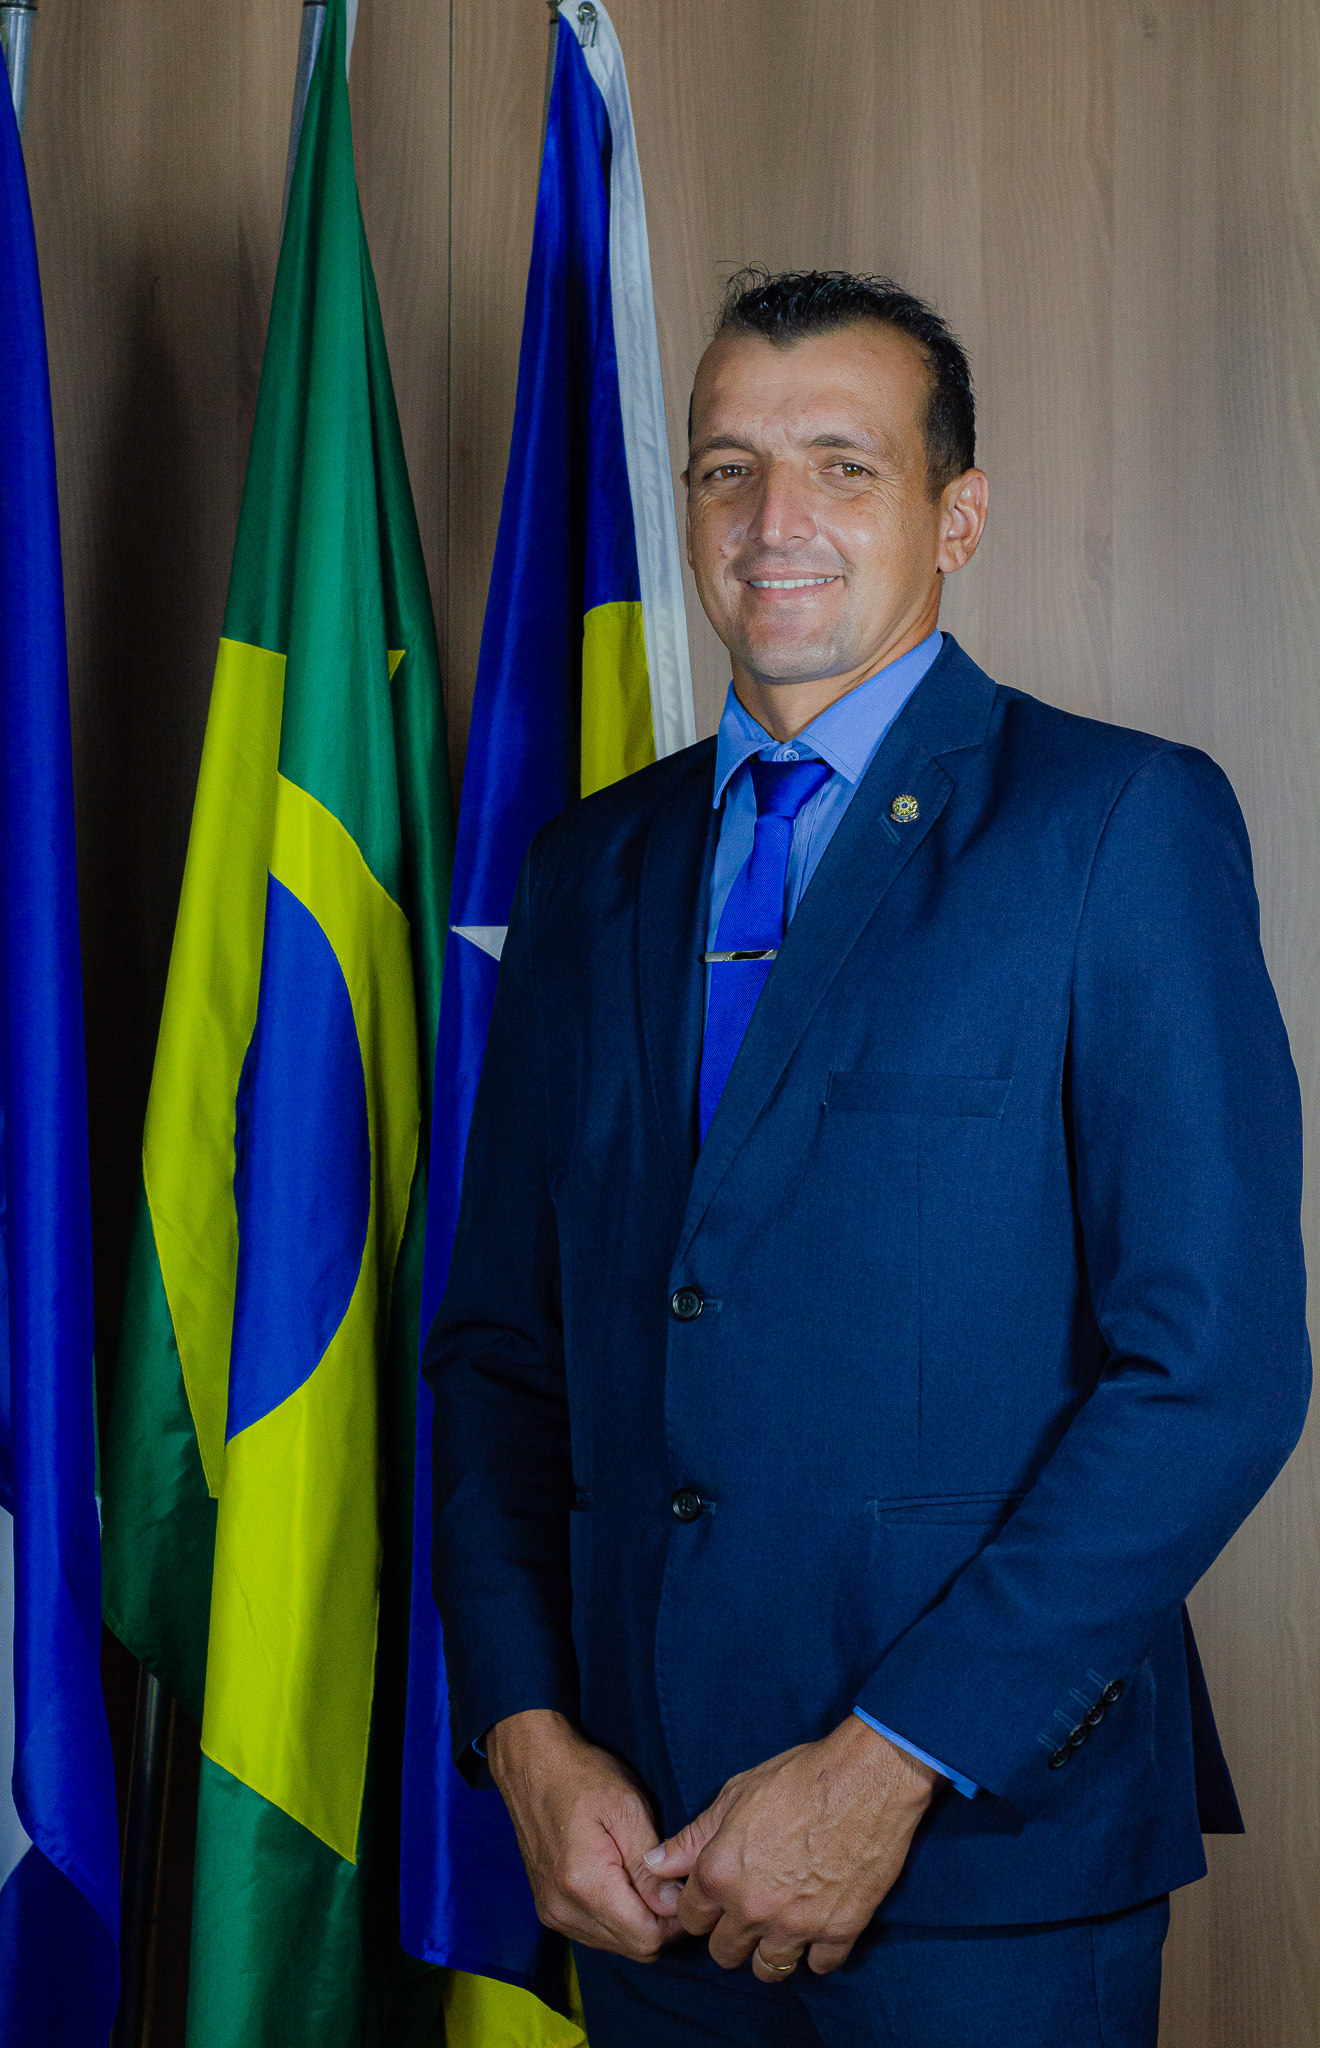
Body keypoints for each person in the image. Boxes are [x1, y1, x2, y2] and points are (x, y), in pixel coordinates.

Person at [424, 269, 1310, 2046]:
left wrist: (890, 1761)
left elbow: (1213, 1371)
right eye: (728, 468)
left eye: (843, 465)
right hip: (643, 1863)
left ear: (954, 515)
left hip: (984, 1867)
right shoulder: (586, 869)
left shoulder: (1117, 826)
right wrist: (527, 1734)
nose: (776, 522)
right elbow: (502, 1355)